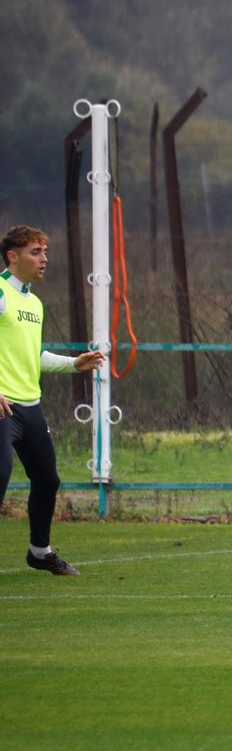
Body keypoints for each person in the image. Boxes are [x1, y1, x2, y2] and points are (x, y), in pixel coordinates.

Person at [0, 225, 105, 575]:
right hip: (3, 407)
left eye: (45, 252)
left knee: (47, 479)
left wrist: (75, 364)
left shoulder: (34, 303)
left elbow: (36, 355)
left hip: (29, 407)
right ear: (12, 257)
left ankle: (39, 552)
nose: (44, 259)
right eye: (35, 252)